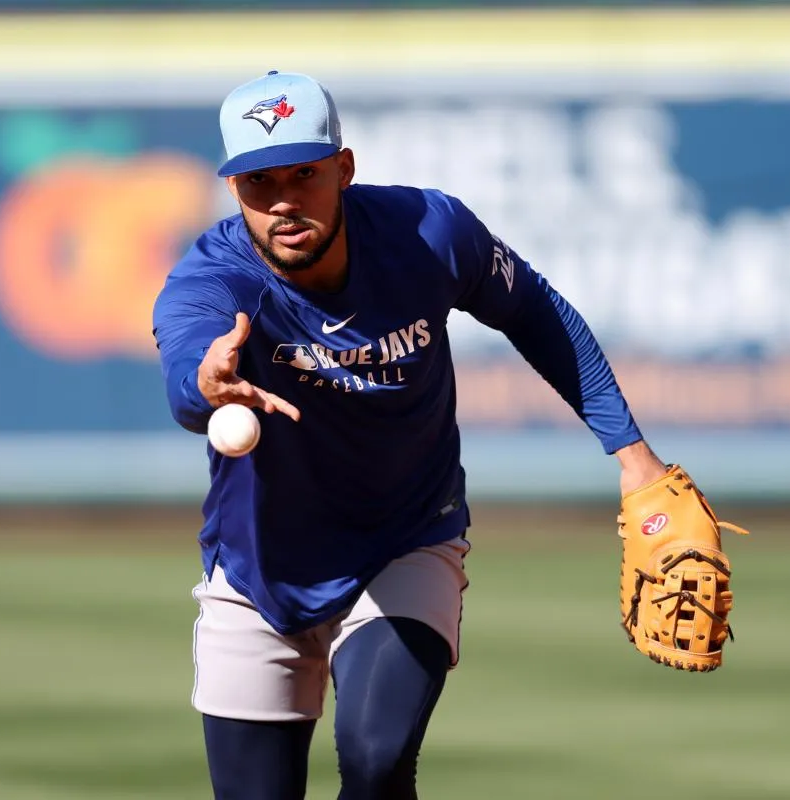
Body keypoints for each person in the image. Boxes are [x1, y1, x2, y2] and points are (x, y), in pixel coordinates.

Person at [152, 70, 670, 800]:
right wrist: (201, 386)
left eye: (305, 174)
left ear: (345, 169)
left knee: (374, 758)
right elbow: (186, 368)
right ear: (234, 190)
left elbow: (535, 312)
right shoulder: (211, 279)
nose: (284, 201)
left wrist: (635, 457)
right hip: (259, 566)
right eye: (258, 182)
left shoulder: (427, 234)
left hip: (406, 539)